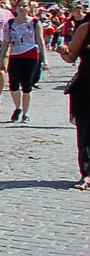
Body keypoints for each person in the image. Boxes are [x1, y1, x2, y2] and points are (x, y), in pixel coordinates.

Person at [55, 12, 90, 189]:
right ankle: (87, 174)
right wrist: (64, 52)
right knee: (85, 130)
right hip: (86, 86)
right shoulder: (85, 28)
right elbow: (71, 57)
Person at [6, 0, 44, 124]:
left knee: (27, 85)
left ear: (28, 8)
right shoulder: (10, 23)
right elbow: (5, 42)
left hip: (31, 54)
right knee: (13, 85)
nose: (21, 8)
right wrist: (2, 60)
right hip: (15, 54)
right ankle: (18, 108)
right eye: (19, 6)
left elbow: (40, 40)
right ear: (15, 8)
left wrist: (44, 59)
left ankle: (26, 113)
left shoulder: (35, 22)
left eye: (24, 6)